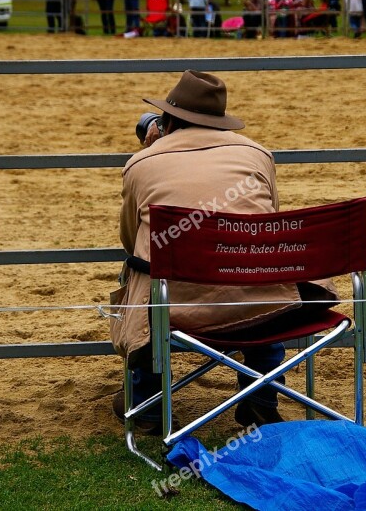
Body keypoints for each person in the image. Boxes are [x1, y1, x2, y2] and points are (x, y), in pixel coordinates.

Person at [111, 70, 339, 434]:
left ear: (166, 121)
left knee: (140, 270)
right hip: (261, 303)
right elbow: (270, 222)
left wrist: (152, 150)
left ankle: (147, 398)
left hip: (176, 308)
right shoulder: (258, 155)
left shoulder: (142, 165)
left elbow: (129, 239)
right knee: (264, 270)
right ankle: (262, 395)